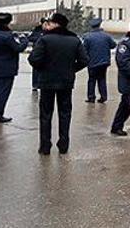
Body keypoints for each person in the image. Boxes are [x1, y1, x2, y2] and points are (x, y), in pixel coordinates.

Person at [28, 13, 88, 155]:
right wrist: (71, 69)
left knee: (45, 115)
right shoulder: (75, 40)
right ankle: (63, 144)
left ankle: (45, 146)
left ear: (56, 24)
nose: (48, 25)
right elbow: (84, 60)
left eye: (50, 22)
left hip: (47, 82)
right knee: (65, 113)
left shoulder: (45, 39)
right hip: (66, 82)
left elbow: (33, 59)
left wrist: (43, 68)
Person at [82, 18, 117, 103]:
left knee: (91, 80)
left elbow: (84, 50)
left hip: (92, 62)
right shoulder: (106, 36)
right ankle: (103, 97)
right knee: (102, 79)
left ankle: (91, 97)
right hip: (103, 62)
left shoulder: (87, 37)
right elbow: (113, 45)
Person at [27, 18, 48, 92]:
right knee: (36, 69)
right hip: (37, 52)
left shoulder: (49, 32)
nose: (46, 26)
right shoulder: (36, 30)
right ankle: (35, 85)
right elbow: (30, 38)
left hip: (46, 53)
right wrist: (39, 38)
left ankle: (43, 84)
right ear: (41, 24)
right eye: (45, 24)